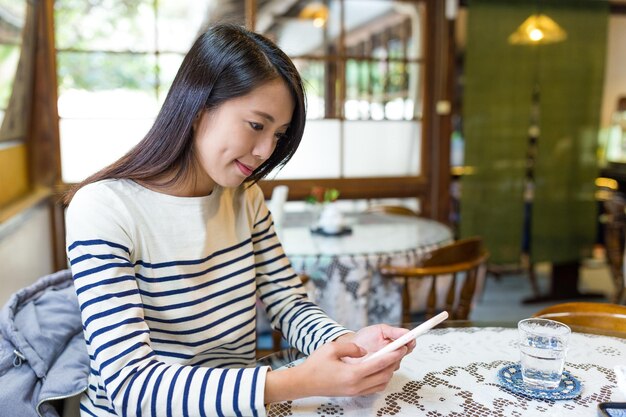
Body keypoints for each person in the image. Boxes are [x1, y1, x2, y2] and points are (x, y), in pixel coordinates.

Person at [65, 23, 414, 417]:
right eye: (256, 125)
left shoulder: (245, 198)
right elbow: (131, 385)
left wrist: (349, 344)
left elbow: (287, 303)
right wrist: (300, 381)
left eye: (279, 135)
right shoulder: (103, 208)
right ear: (198, 107)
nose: (266, 150)